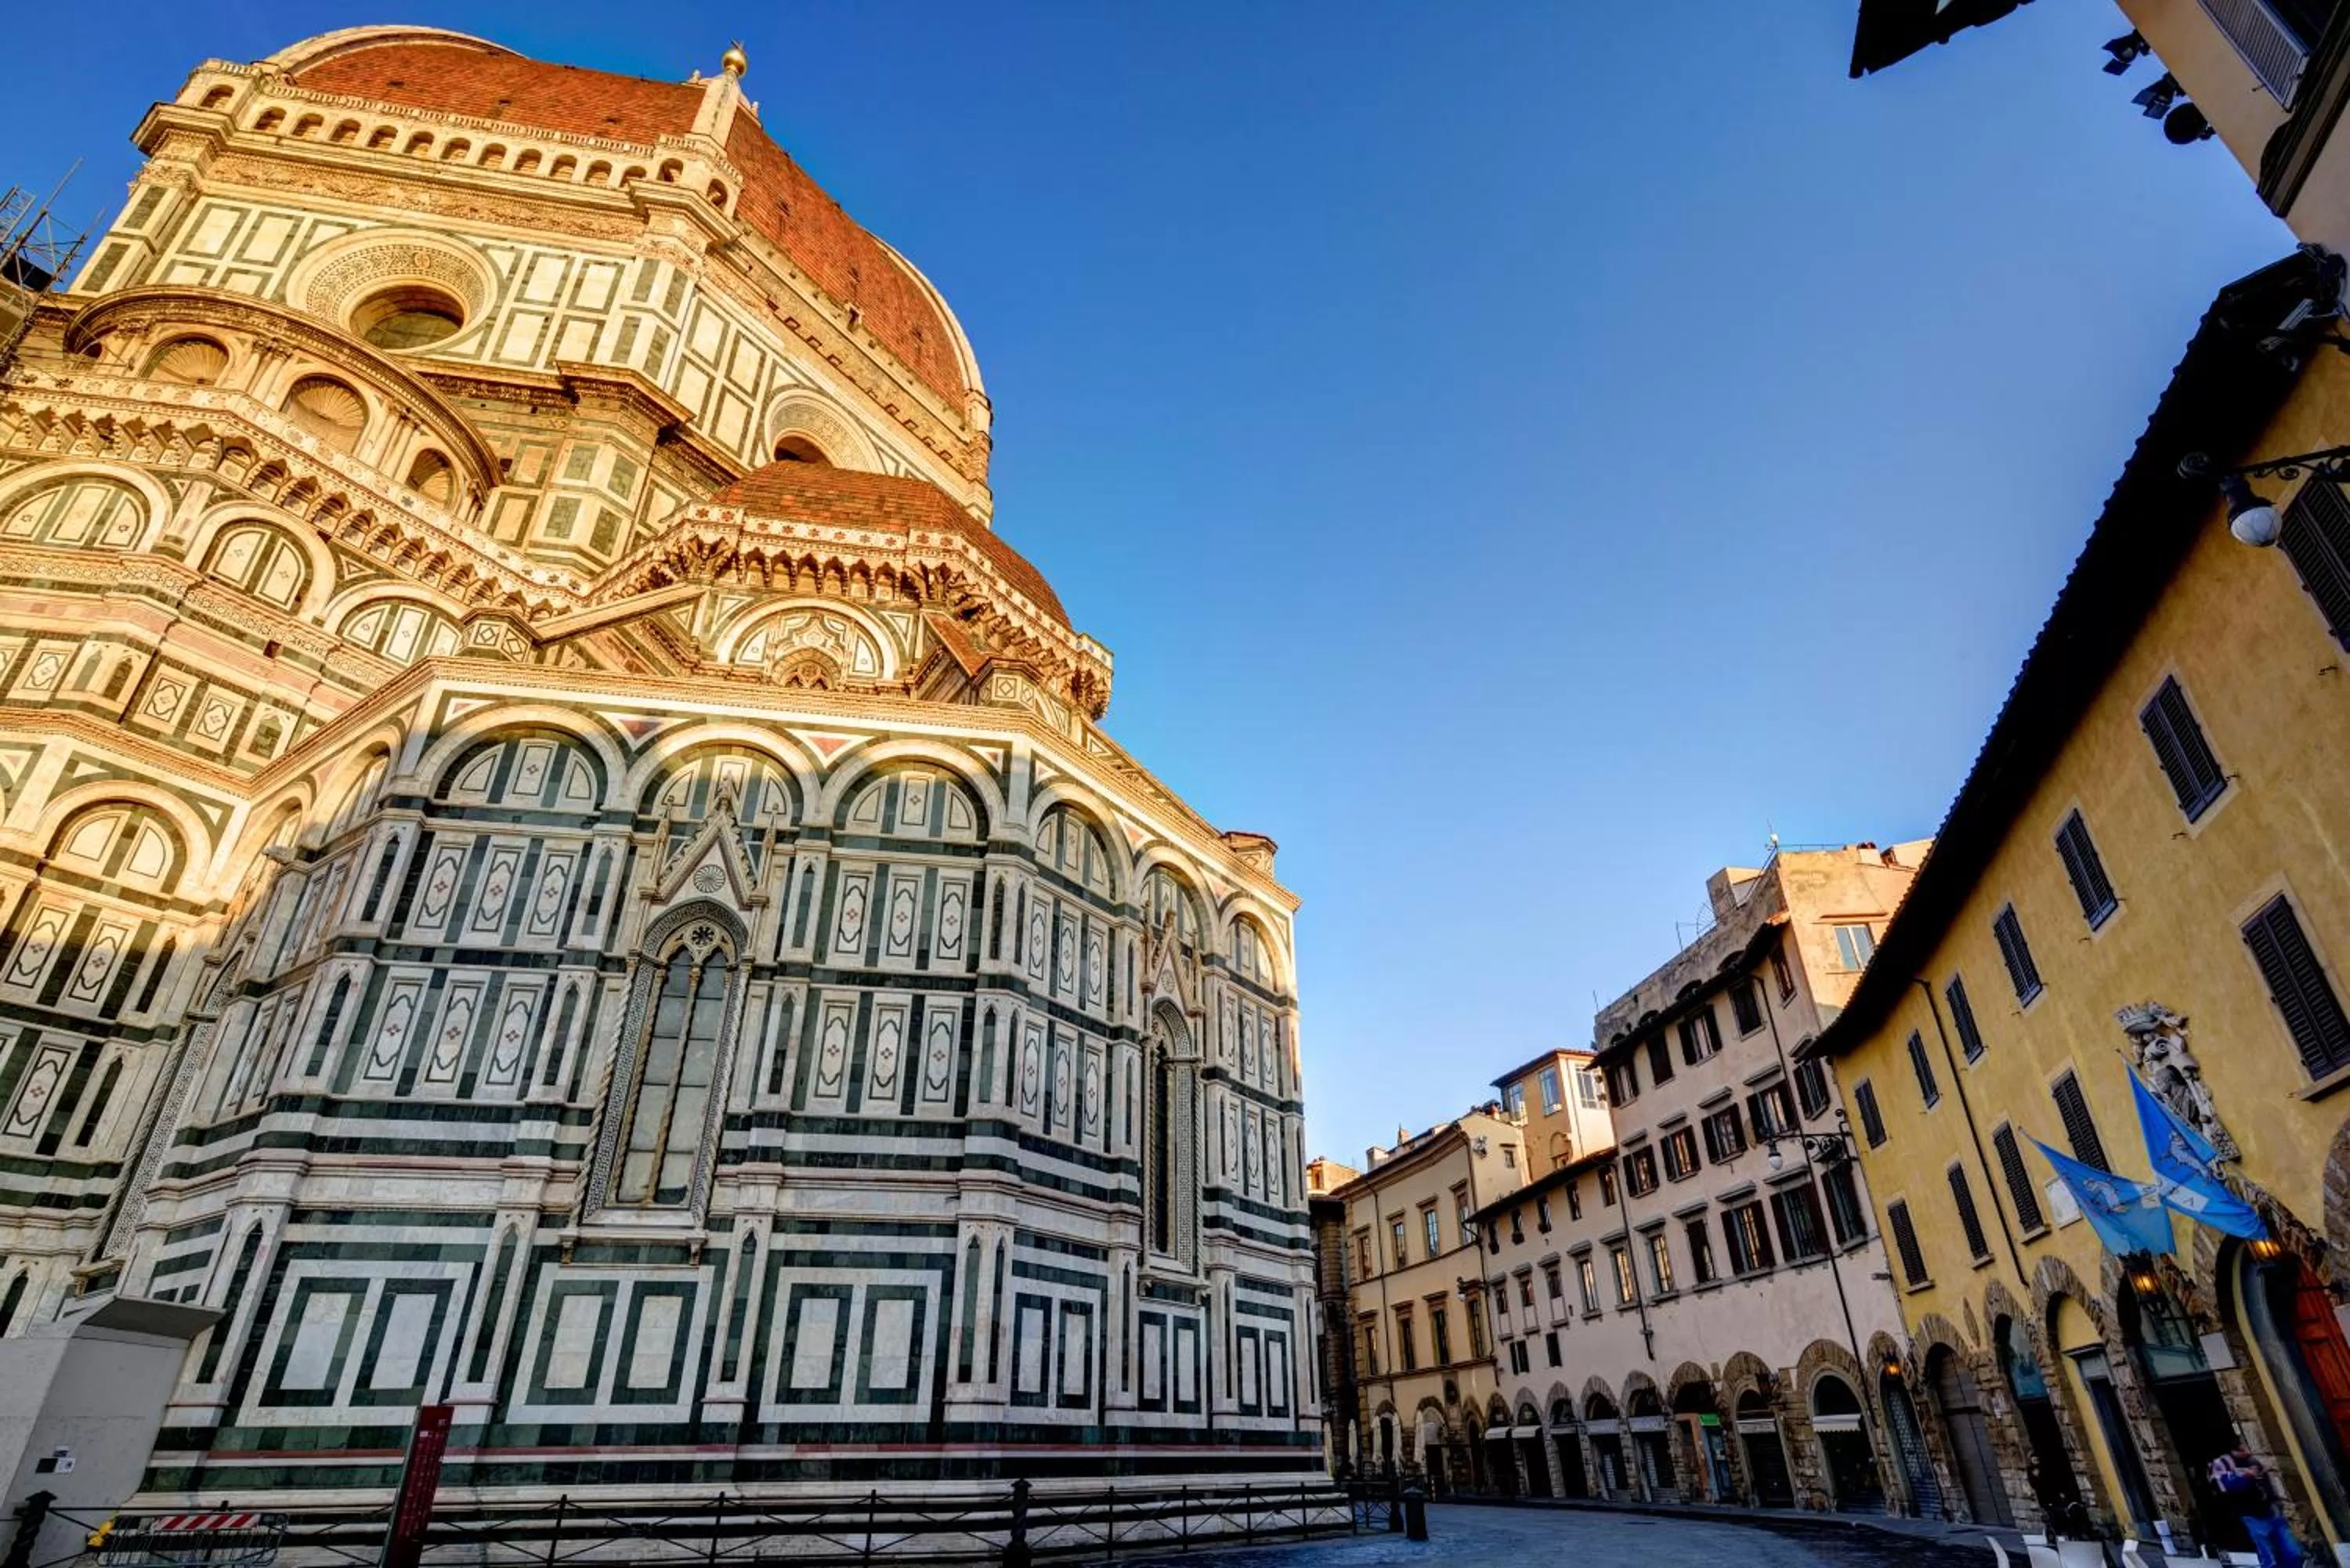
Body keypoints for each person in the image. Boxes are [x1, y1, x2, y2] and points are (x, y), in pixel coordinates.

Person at [2212, 1447, 2303, 1568]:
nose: (2245, 1448)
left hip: (2271, 1511)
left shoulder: (2254, 1460)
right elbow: (2226, 1485)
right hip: (2251, 1515)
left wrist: (2276, 1503)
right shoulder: (2222, 1463)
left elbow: (2268, 1482)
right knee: (2270, 1558)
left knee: (2292, 1552)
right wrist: (2247, 1476)